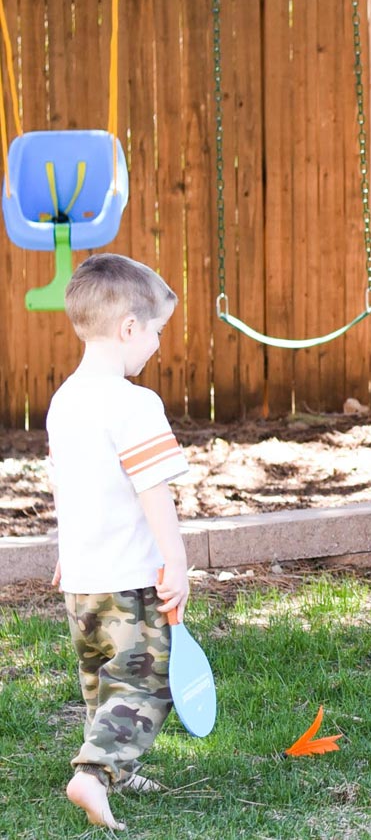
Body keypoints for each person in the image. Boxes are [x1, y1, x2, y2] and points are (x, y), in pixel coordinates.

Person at [48, 253, 193, 830]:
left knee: (101, 678)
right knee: (143, 682)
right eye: (156, 332)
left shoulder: (65, 400)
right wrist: (176, 561)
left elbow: (70, 486)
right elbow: (151, 490)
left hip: (83, 578)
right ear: (129, 328)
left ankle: (117, 769)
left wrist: (65, 551)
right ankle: (93, 774)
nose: (156, 345)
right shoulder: (135, 403)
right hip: (131, 576)